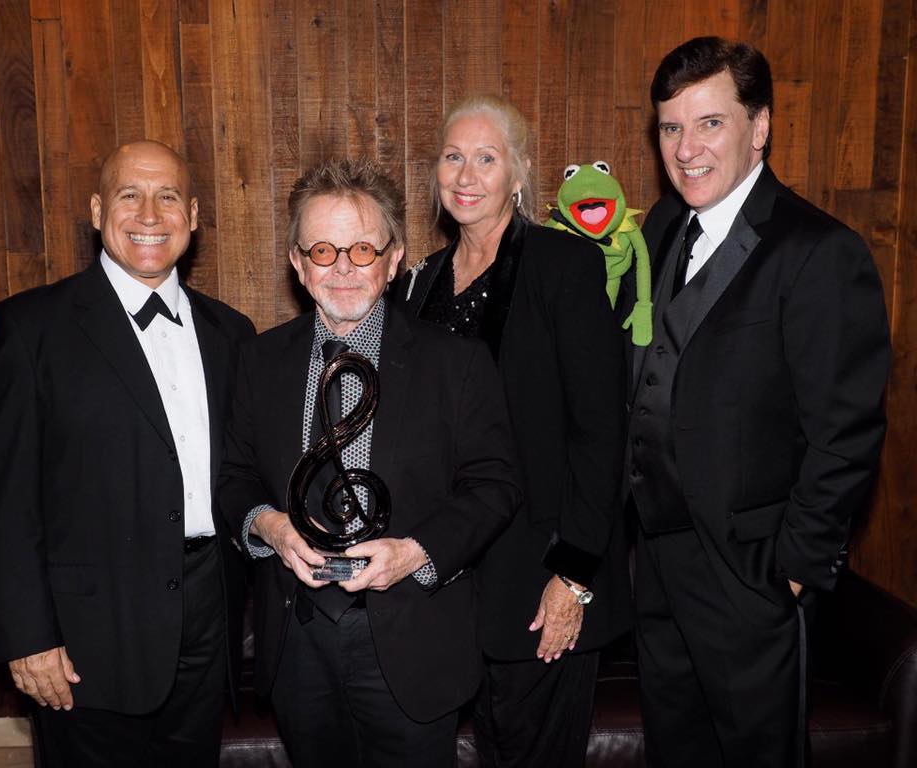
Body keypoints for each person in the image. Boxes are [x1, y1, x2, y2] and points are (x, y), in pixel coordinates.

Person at [621, 37, 891, 768]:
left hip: (751, 575)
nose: (686, 149)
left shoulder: (819, 252)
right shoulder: (659, 228)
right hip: (660, 568)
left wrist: (789, 572)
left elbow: (846, 434)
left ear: (760, 126)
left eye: (710, 123)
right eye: (671, 127)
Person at [219, 157, 520, 768]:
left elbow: (495, 486)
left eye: (362, 250)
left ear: (394, 258)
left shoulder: (456, 363)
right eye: (323, 250)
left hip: (413, 639)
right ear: (298, 263)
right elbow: (234, 478)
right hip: (297, 640)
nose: (343, 269)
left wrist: (415, 553)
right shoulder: (258, 362)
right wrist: (270, 527)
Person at [0, 140, 255, 767]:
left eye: (168, 196)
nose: (149, 214)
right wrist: (27, 638)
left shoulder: (231, 333)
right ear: (98, 211)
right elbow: (4, 504)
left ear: (194, 216)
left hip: (207, 619)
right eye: (130, 195)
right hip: (88, 635)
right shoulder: (31, 328)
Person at [400, 94, 630, 768]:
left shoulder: (564, 265)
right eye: (452, 157)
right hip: (454, 584)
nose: (465, 175)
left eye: (486, 158)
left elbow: (600, 431)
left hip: (542, 579)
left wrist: (573, 578)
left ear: (519, 173)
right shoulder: (419, 284)